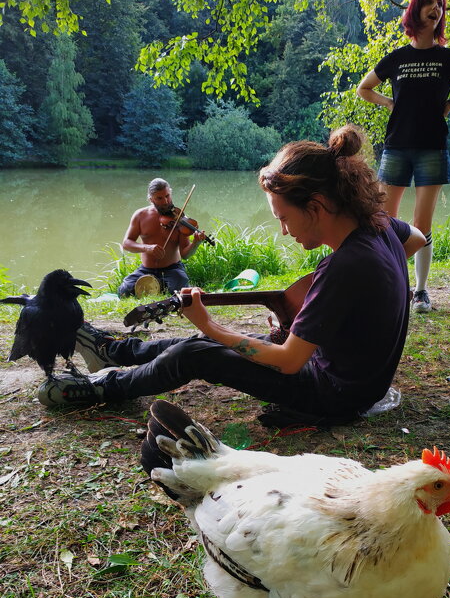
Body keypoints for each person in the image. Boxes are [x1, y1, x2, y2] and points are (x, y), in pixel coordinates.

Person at [37, 125, 426, 423]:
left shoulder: (346, 265)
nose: (284, 231)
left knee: (198, 351)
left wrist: (209, 324)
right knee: (212, 341)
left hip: (335, 394)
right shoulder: (379, 225)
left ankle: (104, 388)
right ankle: (116, 351)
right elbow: (418, 238)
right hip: (345, 371)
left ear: (318, 204)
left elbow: (289, 362)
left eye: (285, 218)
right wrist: (348, 314)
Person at [357, 0, 450, 313]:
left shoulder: (448, 58)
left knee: (422, 224)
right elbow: (364, 88)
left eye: (440, 5)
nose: (436, 8)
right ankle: (389, 285)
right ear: (416, 10)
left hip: (432, 148)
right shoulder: (397, 58)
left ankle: (419, 292)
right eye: (429, 3)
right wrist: (389, 102)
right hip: (396, 146)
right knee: (386, 220)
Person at [118, 178, 208, 298]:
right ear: (151, 199)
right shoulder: (140, 215)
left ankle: (160, 287)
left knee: (178, 290)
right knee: (124, 291)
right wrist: (147, 248)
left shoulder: (180, 219)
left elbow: (185, 254)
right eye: (159, 198)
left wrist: (195, 243)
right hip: (146, 270)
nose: (165, 201)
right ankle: (158, 286)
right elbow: (127, 243)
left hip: (172, 269)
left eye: (167, 196)